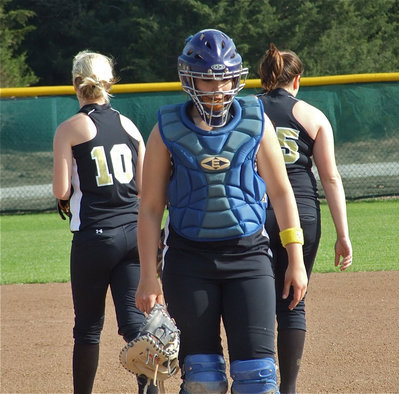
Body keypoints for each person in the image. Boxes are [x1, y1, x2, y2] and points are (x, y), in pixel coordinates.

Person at [135, 29, 308, 393]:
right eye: (208, 80)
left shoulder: (256, 121)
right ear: (188, 78)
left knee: (258, 379)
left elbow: (280, 192)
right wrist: (149, 275)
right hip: (188, 261)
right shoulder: (165, 129)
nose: (219, 89)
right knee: (203, 381)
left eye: (227, 79)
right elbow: (150, 208)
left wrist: (295, 258)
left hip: (249, 258)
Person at [52, 50, 157, 394]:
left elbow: (61, 188)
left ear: (75, 83)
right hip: (132, 234)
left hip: (95, 237)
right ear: (110, 83)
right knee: (135, 325)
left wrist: (66, 197)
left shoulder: (70, 128)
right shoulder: (130, 126)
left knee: (87, 329)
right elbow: (145, 190)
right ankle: (151, 388)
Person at [258, 43, 353, 393]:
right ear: (297, 80)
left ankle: (257, 382)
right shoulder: (312, 116)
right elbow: (330, 178)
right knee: (293, 302)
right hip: (302, 215)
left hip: (256, 212)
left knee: (255, 301)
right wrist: (343, 234)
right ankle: (289, 389)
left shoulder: (245, 111)